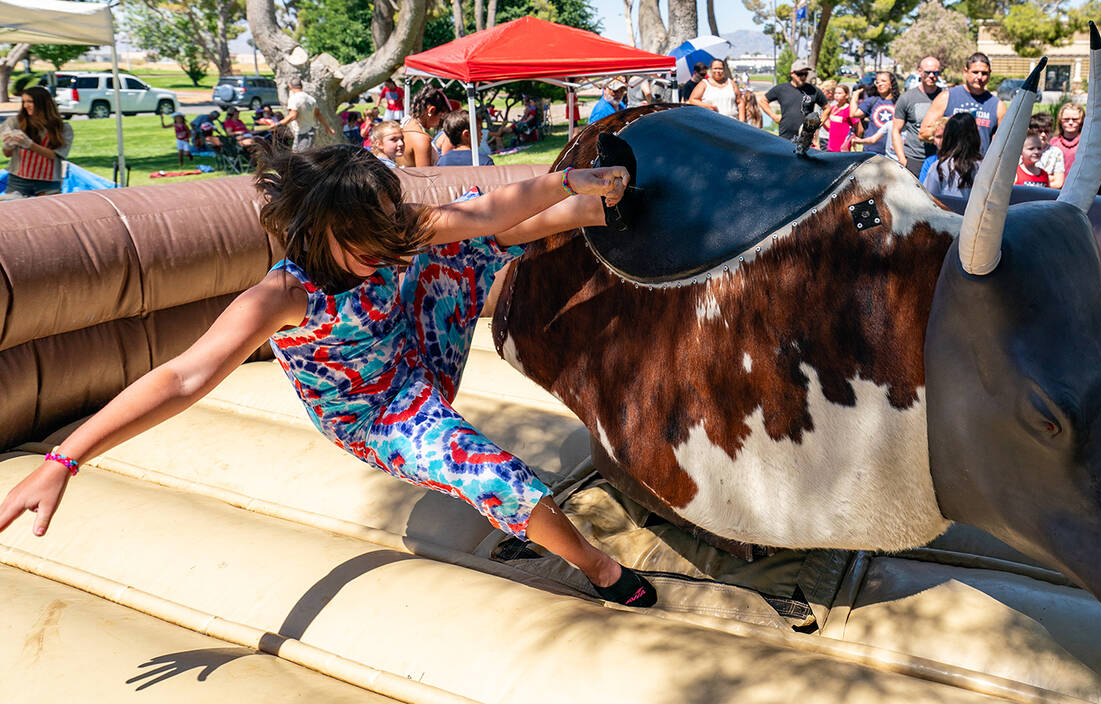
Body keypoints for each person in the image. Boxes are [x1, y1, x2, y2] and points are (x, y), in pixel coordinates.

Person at [0, 143, 657, 609]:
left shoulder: (392, 235)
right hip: (377, 415)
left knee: (463, 235)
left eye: (388, 230)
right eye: (363, 242)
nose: (384, 248)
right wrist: (63, 459)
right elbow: (182, 378)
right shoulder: (283, 297)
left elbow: (488, 213)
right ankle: (599, 569)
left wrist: (573, 181)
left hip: (418, 351)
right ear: (316, 232)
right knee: (494, 474)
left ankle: (603, 205)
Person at [919, 52, 1006, 155]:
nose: (979, 77)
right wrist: (950, 134)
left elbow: (1002, 143)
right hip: (949, 165)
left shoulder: (998, 106)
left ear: (989, 74)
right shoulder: (946, 97)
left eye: (984, 73)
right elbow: (923, 133)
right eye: (975, 72)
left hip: (981, 168)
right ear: (965, 72)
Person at [0, 86, 74, 199]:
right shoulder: (15, 122)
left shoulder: (62, 128)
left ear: (43, 103)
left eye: (30, 101)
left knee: (49, 213)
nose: (25, 105)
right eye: (23, 101)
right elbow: (7, 154)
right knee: (16, 212)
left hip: (48, 180)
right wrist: (8, 144)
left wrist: (29, 144)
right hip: (19, 178)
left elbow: (53, 155)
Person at [892, 56, 943, 175]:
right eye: (927, 72)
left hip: (940, 158)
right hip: (914, 158)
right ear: (920, 71)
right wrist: (902, 159)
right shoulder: (907, 98)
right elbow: (896, 130)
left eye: (935, 72)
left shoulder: (945, 96)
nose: (931, 75)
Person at [758, 62, 828, 143]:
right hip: (785, 137)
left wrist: (818, 123)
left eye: (806, 74)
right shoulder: (781, 89)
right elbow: (763, 101)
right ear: (792, 74)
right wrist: (774, 116)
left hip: (805, 139)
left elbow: (827, 108)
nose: (803, 77)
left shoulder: (813, 90)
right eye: (800, 74)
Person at [922, 111, 980, 198]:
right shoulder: (985, 167)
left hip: (944, 211)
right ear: (975, 136)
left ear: (948, 137)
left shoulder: (939, 167)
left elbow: (927, 199)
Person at [273, 78, 336, 151]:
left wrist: (278, 124)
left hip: (303, 133)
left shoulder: (294, 98)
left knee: (300, 157)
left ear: (290, 87)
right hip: (310, 131)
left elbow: (293, 115)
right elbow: (318, 115)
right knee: (297, 156)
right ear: (301, 86)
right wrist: (327, 127)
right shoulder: (311, 99)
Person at [400, 85, 452, 167]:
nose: (439, 122)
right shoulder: (421, 139)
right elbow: (425, 176)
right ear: (431, 110)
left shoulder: (404, 125)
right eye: (441, 116)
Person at [849, 70, 897, 155]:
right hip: (871, 150)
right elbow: (853, 114)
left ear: (891, 84)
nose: (880, 84)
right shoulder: (872, 101)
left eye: (883, 81)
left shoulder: (899, 102)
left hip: (892, 152)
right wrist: (855, 96)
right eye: (877, 82)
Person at [820, 84, 857, 152]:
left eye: (839, 93)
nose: (836, 95)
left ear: (847, 95)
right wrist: (822, 120)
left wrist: (854, 138)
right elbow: (830, 128)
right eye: (835, 93)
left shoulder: (849, 109)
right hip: (831, 146)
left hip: (843, 147)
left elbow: (858, 126)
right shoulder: (833, 108)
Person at [918, 116, 949, 184]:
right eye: (938, 137)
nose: (942, 141)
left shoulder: (963, 162)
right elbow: (922, 188)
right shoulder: (930, 162)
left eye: (946, 136)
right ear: (933, 140)